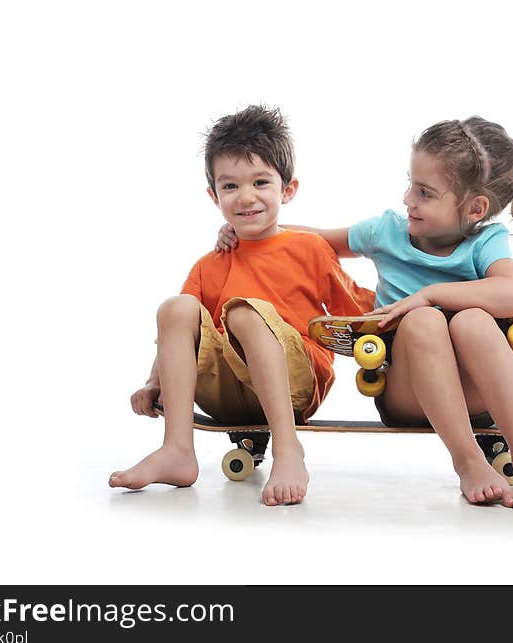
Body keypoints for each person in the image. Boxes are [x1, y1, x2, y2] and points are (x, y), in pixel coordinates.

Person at [217, 117, 513, 510]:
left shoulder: (486, 241)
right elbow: (311, 240)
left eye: (425, 192)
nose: (408, 199)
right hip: (406, 390)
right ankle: (469, 462)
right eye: (411, 184)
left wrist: (430, 294)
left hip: (475, 394)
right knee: (422, 321)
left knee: (473, 320)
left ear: (475, 208)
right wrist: (248, 231)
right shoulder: (387, 232)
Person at [110, 105, 375, 506]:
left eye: (260, 182)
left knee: (244, 311)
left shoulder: (308, 248)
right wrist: (154, 382)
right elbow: (175, 338)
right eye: (230, 186)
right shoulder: (210, 264)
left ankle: (288, 449)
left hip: (295, 382)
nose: (246, 197)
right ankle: (177, 451)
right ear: (213, 195)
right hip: (229, 393)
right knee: (175, 307)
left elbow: (357, 311)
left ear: (287, 189)